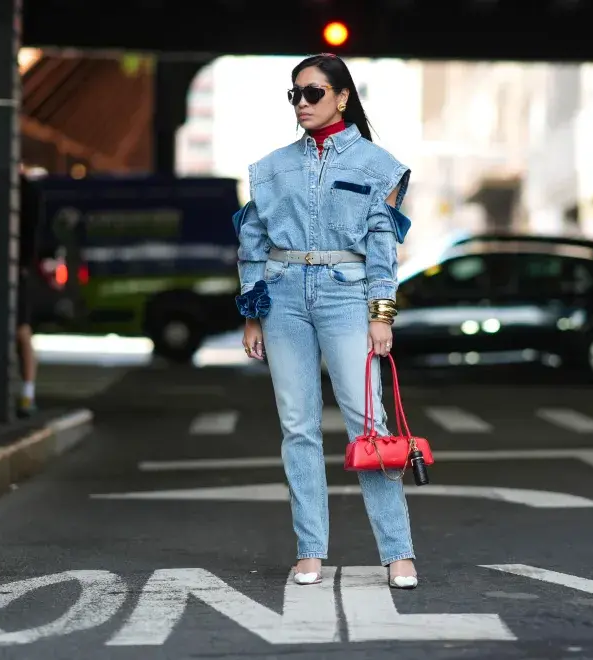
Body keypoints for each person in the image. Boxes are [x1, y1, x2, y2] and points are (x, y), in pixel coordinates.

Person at [234, 53, 418, 589]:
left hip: (346, 297)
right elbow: (253, 245)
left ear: (341, 97)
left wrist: (381, 312)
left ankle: (398, 552)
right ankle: (310, 550)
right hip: (284, 295)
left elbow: (383, 246)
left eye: (313, 93)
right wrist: (253, 313)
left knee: (369, 424)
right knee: (298, 428)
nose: (303, 104)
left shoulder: (378, 165)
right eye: (295, 94)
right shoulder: (270, 168)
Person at [16, 175, 39, 418]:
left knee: (21, 331)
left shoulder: (26, 190)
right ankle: (27, 392)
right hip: (18, 267)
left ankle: (27, 392)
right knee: (22, 331)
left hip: (18, 269)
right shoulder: (28, 189)